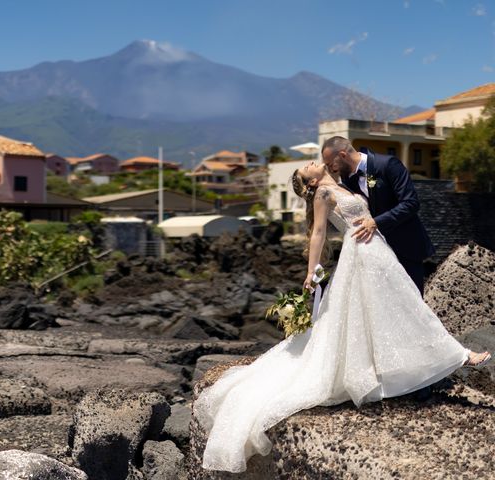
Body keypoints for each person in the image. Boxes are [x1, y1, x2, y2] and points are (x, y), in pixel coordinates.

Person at [194, 161, 490, 474]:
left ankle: (419, 363)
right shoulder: (323, 192)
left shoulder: (342, 183)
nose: (310, 162)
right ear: (309, 183)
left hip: (376, 251)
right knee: (404, 306)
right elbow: (319, 232)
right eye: (306, 168)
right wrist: (311, 272)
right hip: (361, 255)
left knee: (392, 310)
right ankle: (460, 355)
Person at [321, 136, 433, 294]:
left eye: (331, 164)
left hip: (406, 247)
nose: (331, 169)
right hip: (376, 254)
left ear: (343, 155)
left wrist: (376, 222)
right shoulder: (346, 180)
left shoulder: (388, 164)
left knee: (413, 305)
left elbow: (411, 203)